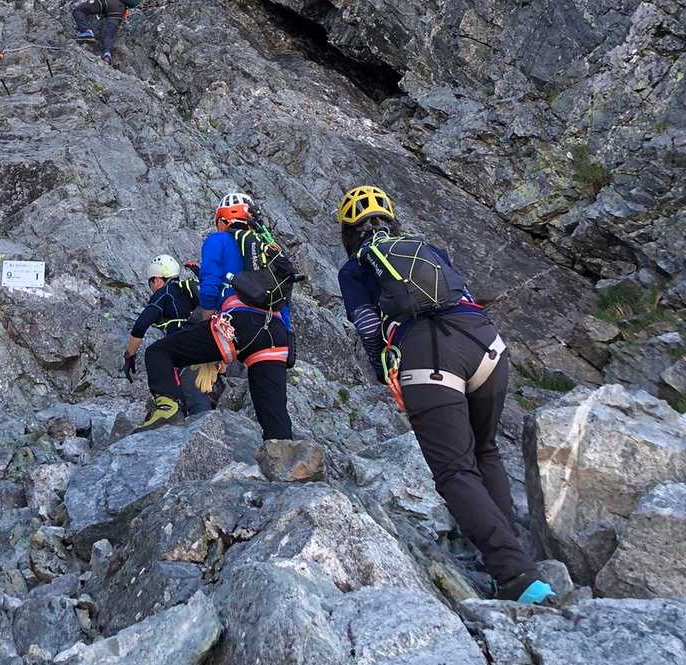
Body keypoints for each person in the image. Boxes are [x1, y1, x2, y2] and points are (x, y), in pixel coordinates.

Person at [337, 183, 556, 605]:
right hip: (485, 342)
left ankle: (515, 576)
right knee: (485, 449)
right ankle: (511, 555)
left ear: (350, 232)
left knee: (455, 471)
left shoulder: (355, 268)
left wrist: (384, 369)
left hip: (428, 353)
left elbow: (367, 325)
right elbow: (463, 293)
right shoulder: (426, 248)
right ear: (392, 221)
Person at [137, 194, 294, 439]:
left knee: (158, 352)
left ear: (223, 220)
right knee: (274, 415)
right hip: (275, 333)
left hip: (237, 325)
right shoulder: (269, 249)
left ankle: (167, 410)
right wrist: (288, 336)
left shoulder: (218, 240)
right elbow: (284, 301)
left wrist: (207, 317)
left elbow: (209, 286)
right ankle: (284, 451)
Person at [122, 254, 212, 418]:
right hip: (209, 345)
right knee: (199, 392)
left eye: (151, 284)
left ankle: (169, 406)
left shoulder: (165, 293)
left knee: (154, 353)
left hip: (185, 347)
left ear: (157, 280)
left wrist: (129, 355)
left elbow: (141, 325)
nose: (152, 289)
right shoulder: (191, 288)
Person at [65, 0, 141, 65]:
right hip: (120, 8)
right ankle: (107, 55)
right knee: (108, 35)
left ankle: (86, 31)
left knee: (79, 11)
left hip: (106, 0)